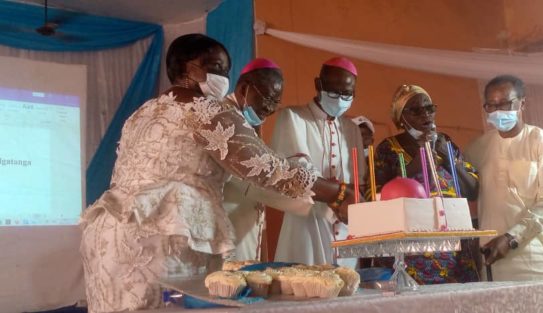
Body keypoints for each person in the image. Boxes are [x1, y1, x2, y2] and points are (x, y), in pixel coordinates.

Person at [80, 34, 358, 312]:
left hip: (109, 232)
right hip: (162, 234)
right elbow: (269, 169)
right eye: (216, 68)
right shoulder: (207, 110)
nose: (223, 77)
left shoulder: (142, 113)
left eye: (225, 70)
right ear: (188, 69)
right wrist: (338, 192)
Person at [465, 75, 543, 312]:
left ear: (522, 103)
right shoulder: (477, 149)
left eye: (505, 103)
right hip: (495, 262)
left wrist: (511, 237)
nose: (497, 111)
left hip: (541, 262)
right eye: (491, 105)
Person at [368, 84, 480, 284]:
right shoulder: (389, 148)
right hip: (410, 253)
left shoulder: (446, 143)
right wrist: (421, 159)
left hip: (454, 251)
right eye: (416, 111)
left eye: (429, 108)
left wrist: (448, 158)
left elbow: (473, 190)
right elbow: (374, 194)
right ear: (401, 118)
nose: (425, 115)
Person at [273, 57, 365, 266]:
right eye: (333, 91)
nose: (340, 99)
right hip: (306, 222)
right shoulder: (293, 117)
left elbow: (358, 178)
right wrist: (341, 195)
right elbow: (298, 172)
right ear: (318, 84)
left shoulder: (351, 128)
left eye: (347, 94)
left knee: (349, 290)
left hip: (345, 229)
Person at [220, 58, 284, 262]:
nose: (270, 108)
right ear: (244, 88)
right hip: (224, 219)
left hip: (244, 219)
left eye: (276, 101)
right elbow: (251, 175)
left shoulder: (244, 119)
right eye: (267, 98)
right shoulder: (223, 117)